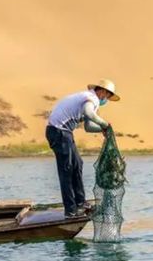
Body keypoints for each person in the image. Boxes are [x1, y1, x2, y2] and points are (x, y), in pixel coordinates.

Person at [46, 79, 120, 218]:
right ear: (103, 91)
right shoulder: (92, 98)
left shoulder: (89, 99)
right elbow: (89, 113)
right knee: (66, 170)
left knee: (77, 164)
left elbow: (88, 127)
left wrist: (102, 129)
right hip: (58, 131)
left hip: (64, 132)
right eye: (108, 96)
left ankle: (80, 202)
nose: (108, 99)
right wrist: (105, 124)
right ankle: (70, 211)